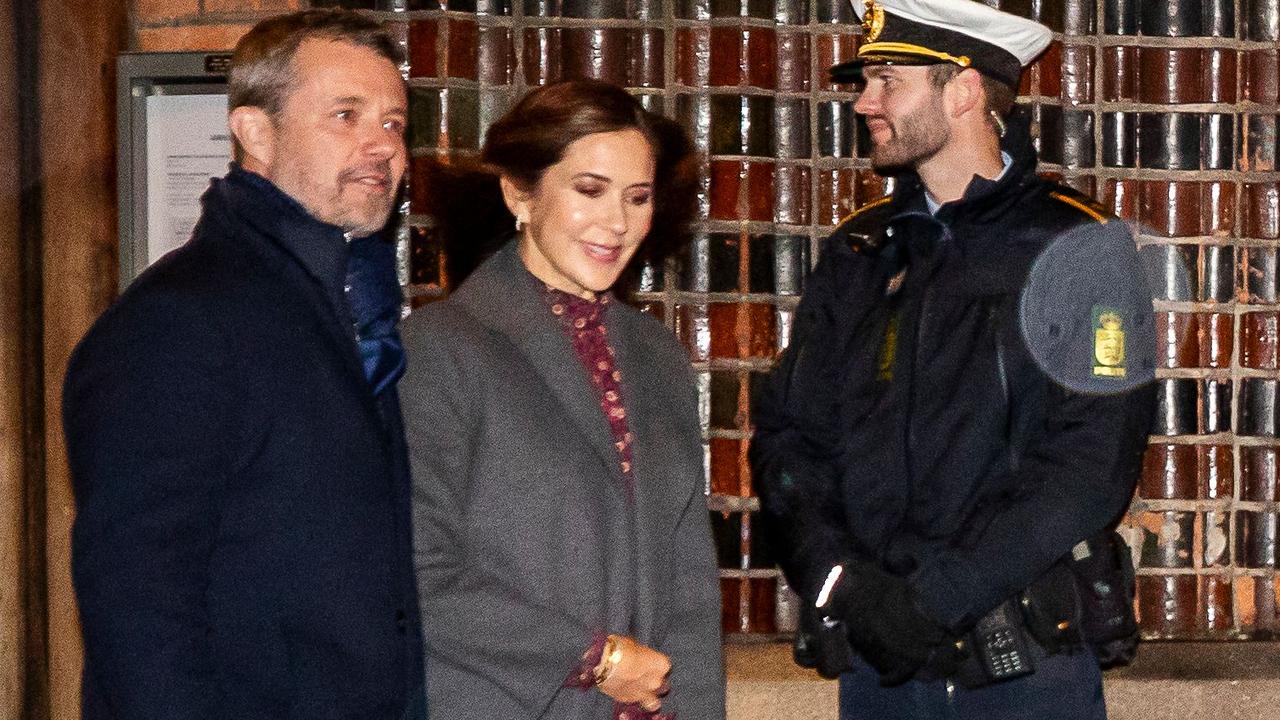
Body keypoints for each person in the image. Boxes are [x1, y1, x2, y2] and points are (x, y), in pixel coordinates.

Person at [749, 1, 1157, 718]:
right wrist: (845, 586)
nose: (864, 102)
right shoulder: (860, 253)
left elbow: (1091, 467)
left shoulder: (1076, 245)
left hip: (1023, 676)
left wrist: (934, 602)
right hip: (878, 668)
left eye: (886, 81)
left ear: (963, 90)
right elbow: (789, 441)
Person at [63, 10, 424, 719]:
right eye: (345, 116)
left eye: (393, 123)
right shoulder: (179, 320)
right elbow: (138, 605)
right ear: (256, 133)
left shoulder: (349, 309)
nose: (380, 145)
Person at [400, 79, 725, 720]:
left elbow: (690, 578)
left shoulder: (658, 357)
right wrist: (594, 658)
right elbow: (415, 567)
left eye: (638, 198)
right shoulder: (439, 350)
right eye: (589, 190)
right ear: (520, 193)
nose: (617, 223)